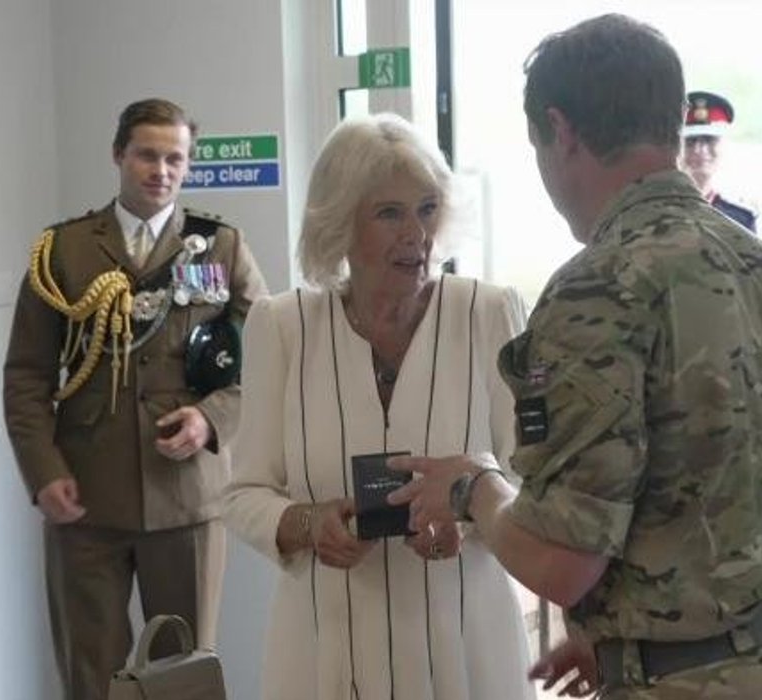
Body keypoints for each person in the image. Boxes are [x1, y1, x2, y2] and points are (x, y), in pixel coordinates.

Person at [387, 14, 762, 699]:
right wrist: (622, 638)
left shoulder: (600, 285)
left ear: (562, 131)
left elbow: (561, 560)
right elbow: (728, 504)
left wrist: (471, 487)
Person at [221, 113, 534, 700]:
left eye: (427, 208)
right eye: (389, 213)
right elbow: (244, 494)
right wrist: (308, 524)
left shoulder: (489, 314)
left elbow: (532, 481)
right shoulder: (282, 326)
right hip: (323, 651)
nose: (415, 233)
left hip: (465, 647)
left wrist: (469, 515)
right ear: (340, 222)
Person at [3, 98, 267, 700]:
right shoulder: (62, 251)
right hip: (85, 495)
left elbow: (269, 355)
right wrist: (43, 472)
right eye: (148, 155)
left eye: (176, 158)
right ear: (118, 154)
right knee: (90, 670)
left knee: (184, 674)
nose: (161, 170)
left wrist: (210, 418)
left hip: (186, 497)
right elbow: (25, 374)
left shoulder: (220, 246)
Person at [679, 90, 758, 233]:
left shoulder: (740, 218)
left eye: (709, 140)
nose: (700, 149)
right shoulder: (653, 211)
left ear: (723, 145)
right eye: (690, 141)